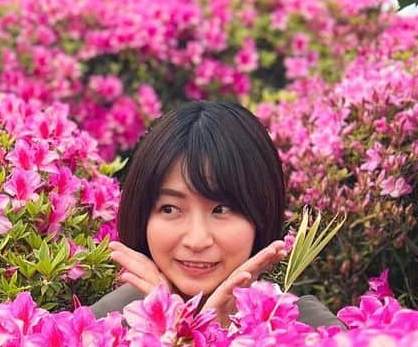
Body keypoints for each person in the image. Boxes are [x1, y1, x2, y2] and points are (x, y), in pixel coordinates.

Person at [90, 100, 342, 328]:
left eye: (221, 209)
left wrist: (213, 342)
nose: (196, 241)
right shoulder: (104, 323)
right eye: (170, 208)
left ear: (261, 215)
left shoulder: (311, 332)